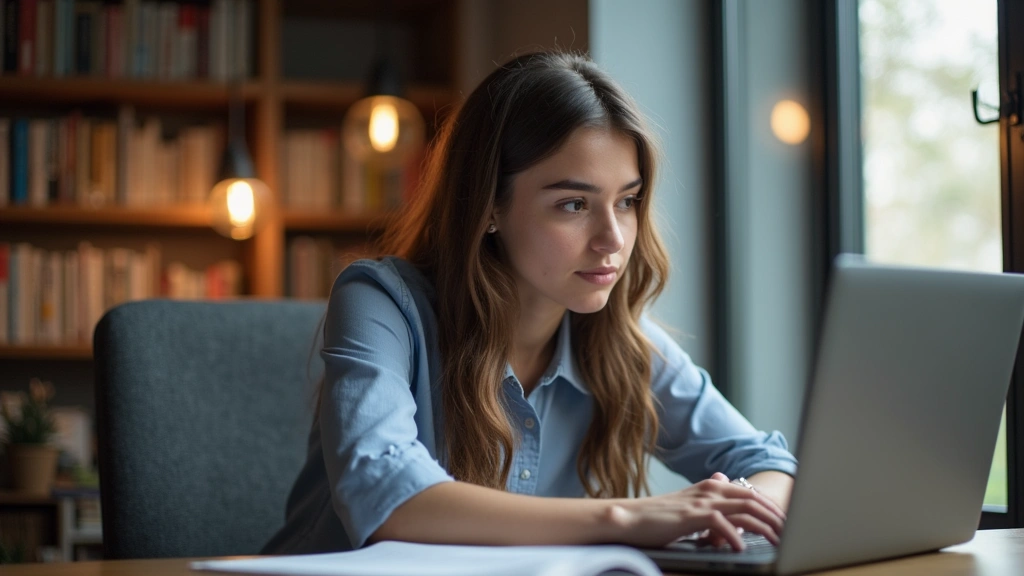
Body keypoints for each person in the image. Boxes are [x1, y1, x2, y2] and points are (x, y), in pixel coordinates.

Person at [263, 51, 797, 555]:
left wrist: (733, 513)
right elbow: (381, 492)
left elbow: (770, 464)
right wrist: (627, 519)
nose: (613, 238)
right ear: (490, 206)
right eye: (573, 204)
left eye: (628, 201)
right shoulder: (381, 303)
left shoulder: (621, 343)